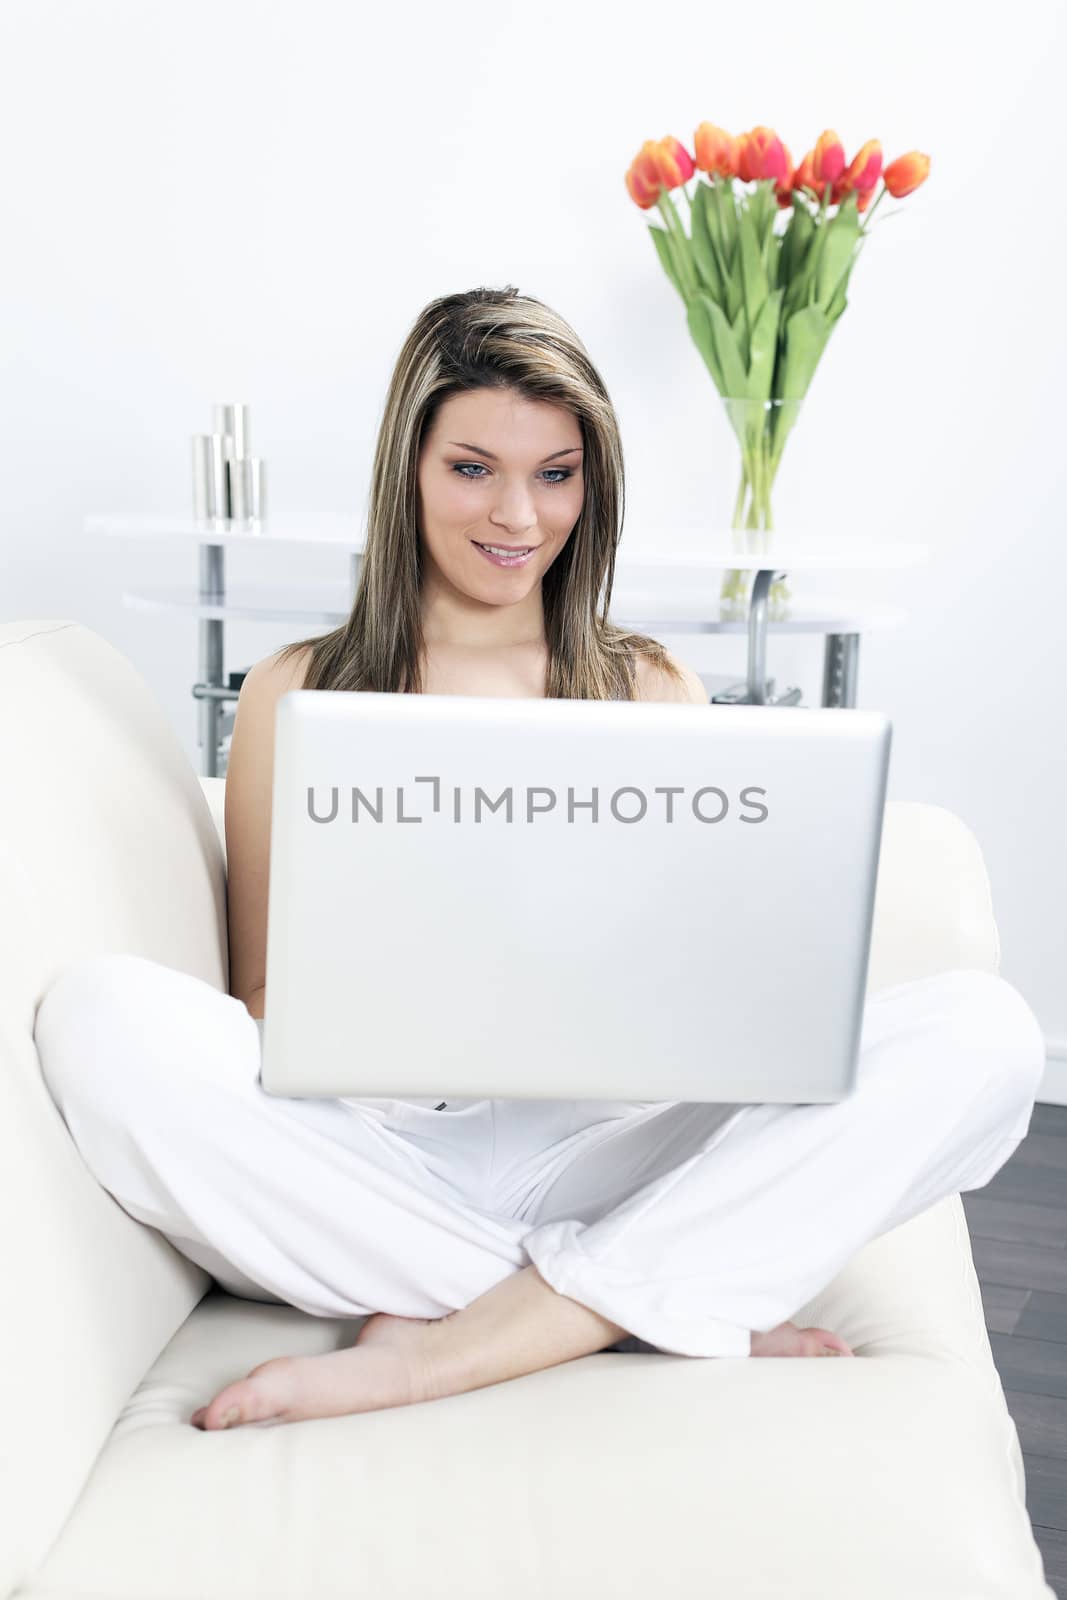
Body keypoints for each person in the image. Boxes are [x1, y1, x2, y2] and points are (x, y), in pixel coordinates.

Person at [33, 285, 1046, 1434]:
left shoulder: (652, 686)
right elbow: (258, 997)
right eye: (472, 469)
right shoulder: (297, 691)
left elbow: (709, 993)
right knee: (100, 1018)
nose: (517, 514)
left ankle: (454, 1344)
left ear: (589, 484)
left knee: (985, 1032)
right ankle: (641, 1298)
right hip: (379, 1149)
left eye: (554, 474)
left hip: (606, 1141)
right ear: (406, 470)